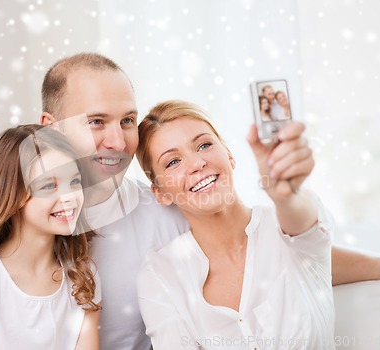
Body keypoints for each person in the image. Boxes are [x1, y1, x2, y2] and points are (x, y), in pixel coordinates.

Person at [0, 52, 380, 350]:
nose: (117, 140)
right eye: (96, 122)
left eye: (128, 120)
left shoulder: (164, 213)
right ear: (49, 127)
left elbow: (282, 252)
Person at [136, 100, 334, 349]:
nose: (197, 164)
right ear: (160, 193)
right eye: (173, 162)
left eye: (204, 145)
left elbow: (304, 224)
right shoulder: (161, 272)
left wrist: (286, 194)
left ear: (229, 155)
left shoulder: (287, 228)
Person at [0, 125, 101, 350]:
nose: (69, 197)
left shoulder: (82, 277)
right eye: (49, 185)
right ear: (12, 195)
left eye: (74, 182)